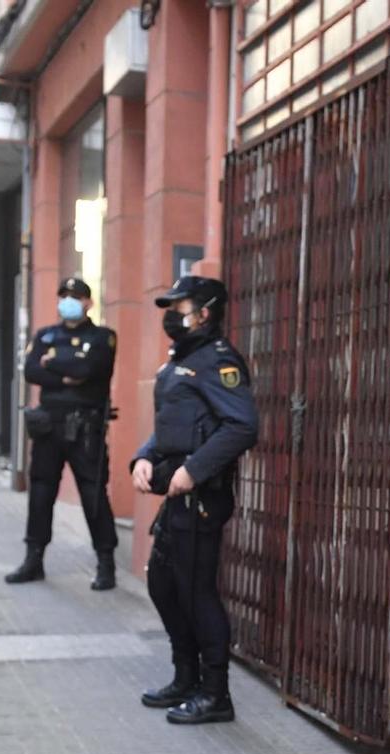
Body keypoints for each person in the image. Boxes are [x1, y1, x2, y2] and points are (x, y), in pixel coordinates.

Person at [130, 274, 258, 725]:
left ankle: (215, 693)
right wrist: (144, 457)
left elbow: (242, 426)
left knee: (196, 592)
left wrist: (192, 471)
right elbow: (171, 424)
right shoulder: (182, 359)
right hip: (178, 497)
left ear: (205, 313)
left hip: (202, 497)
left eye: (180, 307)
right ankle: (185, 677)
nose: (172, 314)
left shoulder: (219, 362)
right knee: (164, 585)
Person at [9, 276, 119, 589]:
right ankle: (34, 559)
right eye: (64, 296)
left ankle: (105, 562)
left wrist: (54, 363)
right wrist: (68, 373)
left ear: (88, 303)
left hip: (85, 429)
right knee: (41, 493)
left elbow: (89, 370)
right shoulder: (45, 335)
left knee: (92, 494)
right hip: (48, 427)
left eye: (76, 296)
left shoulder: (102, 337)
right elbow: (32, 371)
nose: (69, 301)